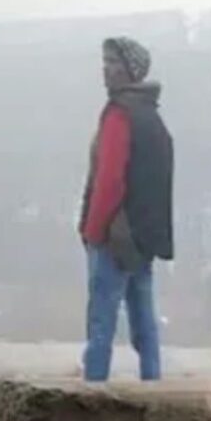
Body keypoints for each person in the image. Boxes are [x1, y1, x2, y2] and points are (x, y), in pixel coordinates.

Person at [78, 37, 174, 382]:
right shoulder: (152, 117)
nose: (106, 69)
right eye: (105, 62)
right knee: (144, 319)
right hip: (143, 238)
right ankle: (153, 385)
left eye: (114, 63)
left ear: (131, 71)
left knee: (101, 321)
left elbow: (109, 180)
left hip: (114, 237)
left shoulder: (119, 115)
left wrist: (93, 231)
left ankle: (93, 389)